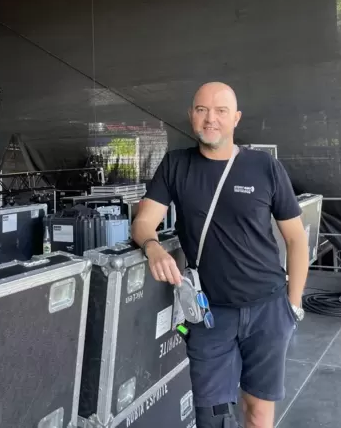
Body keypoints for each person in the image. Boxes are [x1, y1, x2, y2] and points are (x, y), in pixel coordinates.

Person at [131, 82, 309, 428]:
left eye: (220, 111)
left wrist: (294, 306)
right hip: (209, 316)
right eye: (201, 110)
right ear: (191, 116)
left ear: (236, 118)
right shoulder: (175, 165)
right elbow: (143, 223)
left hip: (268, 311)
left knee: (258, 412)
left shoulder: (265, 167)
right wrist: (152, 247)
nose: (210, 119)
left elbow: (296, 239)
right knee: (211, 417)